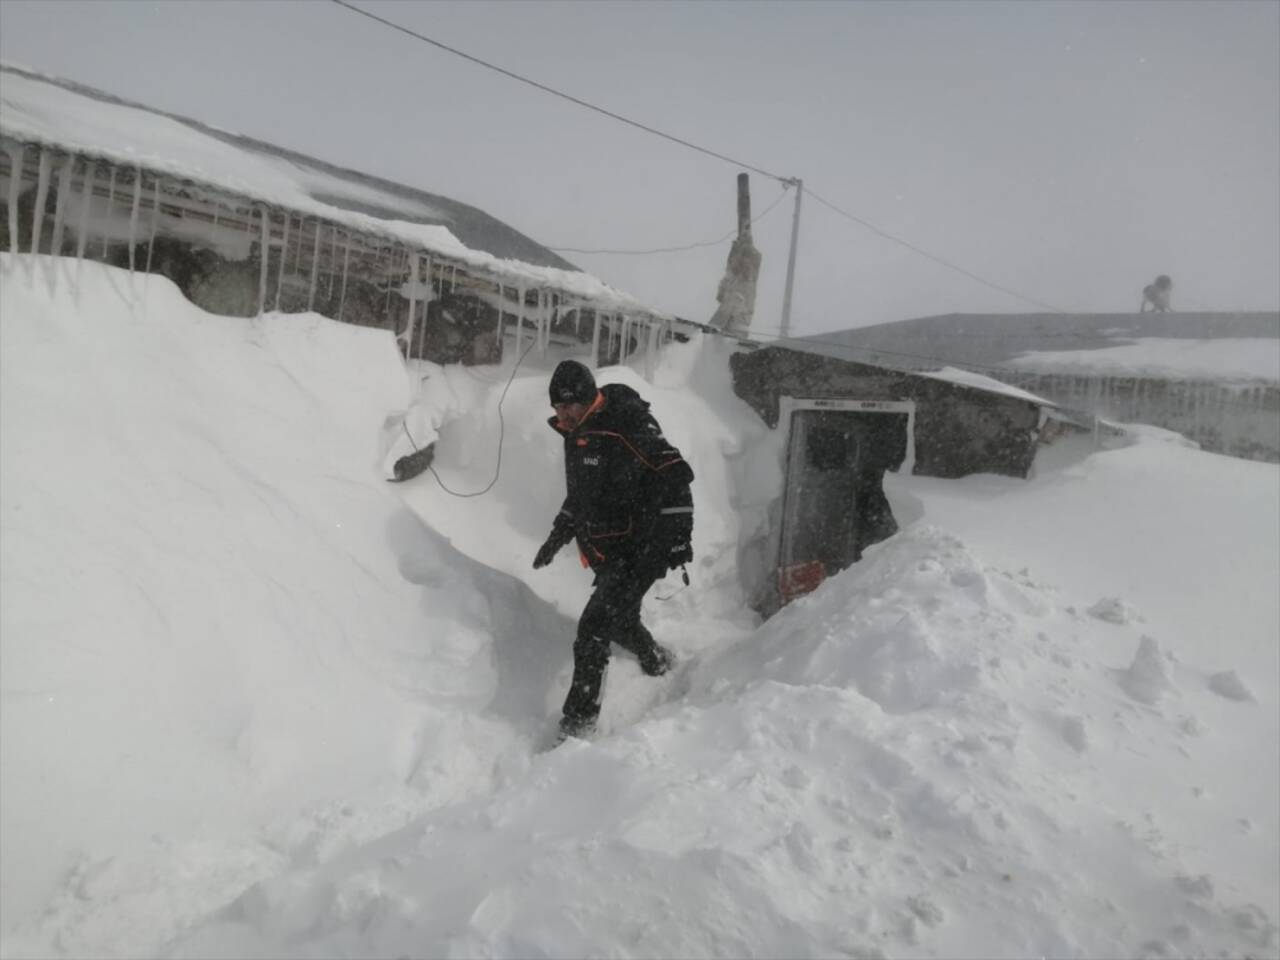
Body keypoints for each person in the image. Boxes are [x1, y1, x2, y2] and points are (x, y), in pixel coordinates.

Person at [533, 359, 694, 743]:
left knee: (592, 629)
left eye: (570, 405)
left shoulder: (626, 426)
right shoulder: (577, 434)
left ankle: (577, 722)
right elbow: (582, 495)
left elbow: (676, 474)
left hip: (643, 546)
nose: (563, 413)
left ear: (589, 398)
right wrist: (558, 535)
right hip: (609, 549)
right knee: (619, 618)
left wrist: (678, 536)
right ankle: (657, 660)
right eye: (557, 406)